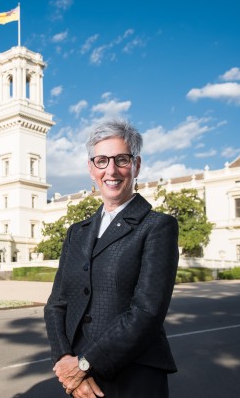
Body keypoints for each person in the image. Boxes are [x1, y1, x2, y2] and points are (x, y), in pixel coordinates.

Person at [44, 119, 179, 398]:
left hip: (134, 376)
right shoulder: (76, 233)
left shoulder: (157, 226)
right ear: (91, 168)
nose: (112, 170)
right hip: (82, 382)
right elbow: (57, 305)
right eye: (102, 160)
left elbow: (147, 312)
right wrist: (65, 363)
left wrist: (83, 364)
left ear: (136, 165)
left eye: (121, 159)